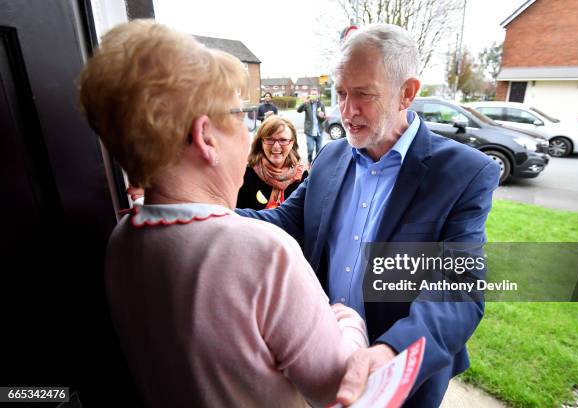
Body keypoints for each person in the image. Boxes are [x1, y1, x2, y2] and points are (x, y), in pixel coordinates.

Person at [78, 20, 368, 408]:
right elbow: (334, 386)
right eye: (239, 114)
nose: (250, 132)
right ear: (206, 138)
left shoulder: (123, 237)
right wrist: (346, 316)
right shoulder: (263, 254)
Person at [236, 23, 500, 407]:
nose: (346, 110)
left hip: (402, 376)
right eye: (340, 92)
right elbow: (286, 224)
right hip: (326, 353)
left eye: (363, 95)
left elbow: (458, 289)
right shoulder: (330, 156)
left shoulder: (464, 173)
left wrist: (392, 353)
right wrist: (202, 214)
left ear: (407, 93)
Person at [237, 116, 308, 210]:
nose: (276, 146)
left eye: (283, 140)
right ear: (261, 143)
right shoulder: (245, 173)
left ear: (292, 143)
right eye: (269, 139)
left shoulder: (302, 177)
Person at [297, 91, 326, 164]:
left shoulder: (321, 104)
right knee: (310, 149)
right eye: (312, 94)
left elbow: (323, 118)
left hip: (319, 131)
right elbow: (298, 110)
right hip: (309, 131)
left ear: (318, 95)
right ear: (310, 95)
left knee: (319, 149)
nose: (314, 95)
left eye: (315, 94)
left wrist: (322, 116)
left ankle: (317, 163)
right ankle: (310, 161)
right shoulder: (307, 104)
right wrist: (304, 102)